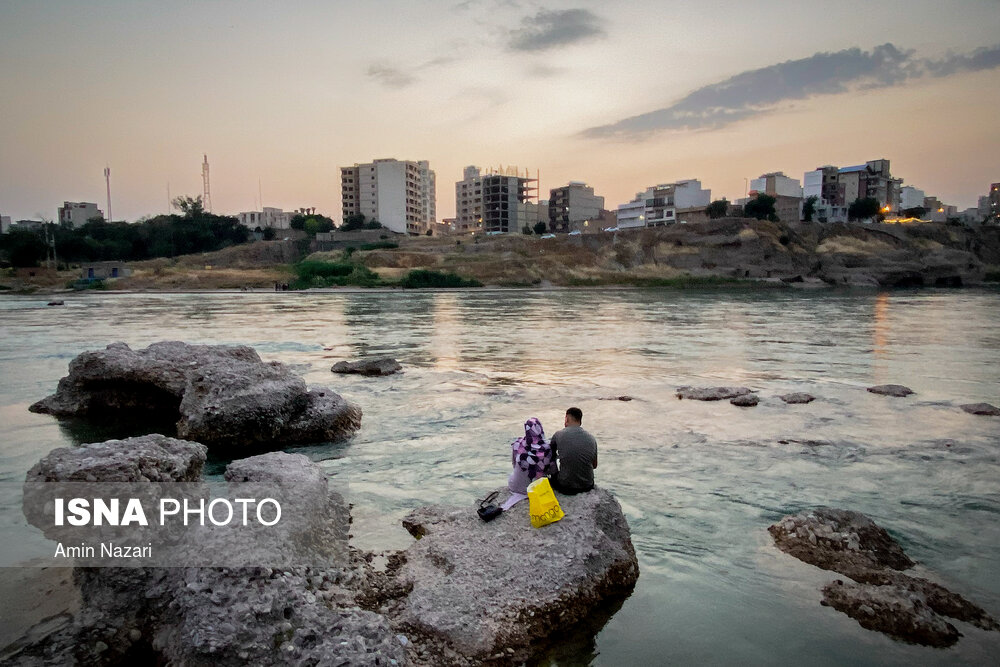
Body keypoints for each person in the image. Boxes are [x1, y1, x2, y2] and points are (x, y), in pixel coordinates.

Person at [549, 407, 598, 494]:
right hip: (587, 486)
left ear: (566, 418)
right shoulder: (591, 438)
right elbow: (594, 465)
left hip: (565, 487)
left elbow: (549, 457)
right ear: (580, 421)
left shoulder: (558, 434)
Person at [508, 417, 555, 495]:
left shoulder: (517, 444)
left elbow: (514, 464)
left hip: (515, 486)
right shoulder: (547, 449)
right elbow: (553, 471)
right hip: (535, 489)